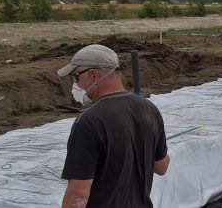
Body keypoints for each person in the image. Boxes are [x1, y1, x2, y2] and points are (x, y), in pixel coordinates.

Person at [57, 44, 170, 207]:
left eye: (76, 77)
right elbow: (161, 166)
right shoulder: (149, 109)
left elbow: (78, 196)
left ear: (94, 74)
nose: (77, 85)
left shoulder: (88, 122)